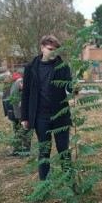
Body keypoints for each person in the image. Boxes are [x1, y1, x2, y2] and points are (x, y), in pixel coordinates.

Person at [21, 35, 73, 181]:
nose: (53, 52)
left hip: (60, 116)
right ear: (42, 48)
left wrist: (74, 88)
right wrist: (25, 116)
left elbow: (69, 86)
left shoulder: (63, 67)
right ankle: (44, 185)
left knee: (64, 150)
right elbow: (26, 93)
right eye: (50, 49)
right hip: (40, 117)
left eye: (56, 50)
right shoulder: (31, 68)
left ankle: (69, 182)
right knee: (44, 151)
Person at [8, 70, 33, 157]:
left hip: (23, 112)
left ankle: (26, 152)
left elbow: (27, 92)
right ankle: (18, 150)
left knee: (25, 131)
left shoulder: (19, 81)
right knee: (19, 132)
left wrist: (22, 100)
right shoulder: (14, 83)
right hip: (17, 112)